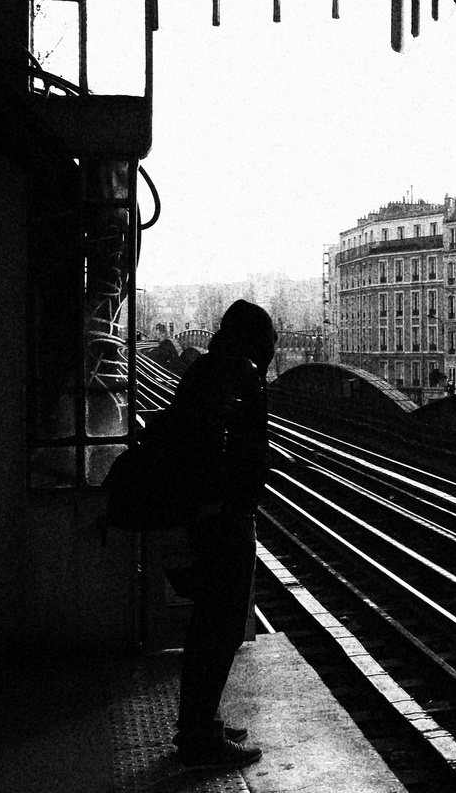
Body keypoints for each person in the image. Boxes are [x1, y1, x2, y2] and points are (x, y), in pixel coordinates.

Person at [168, 299, 275, 769]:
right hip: (225, 517)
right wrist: (224, 501)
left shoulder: (208, 370)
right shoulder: (237, 376)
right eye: (268, 341)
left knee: (210, 621)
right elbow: (226, 444)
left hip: (210, 512)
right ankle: (199, 737)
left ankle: (201, 720)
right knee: (223, 624)